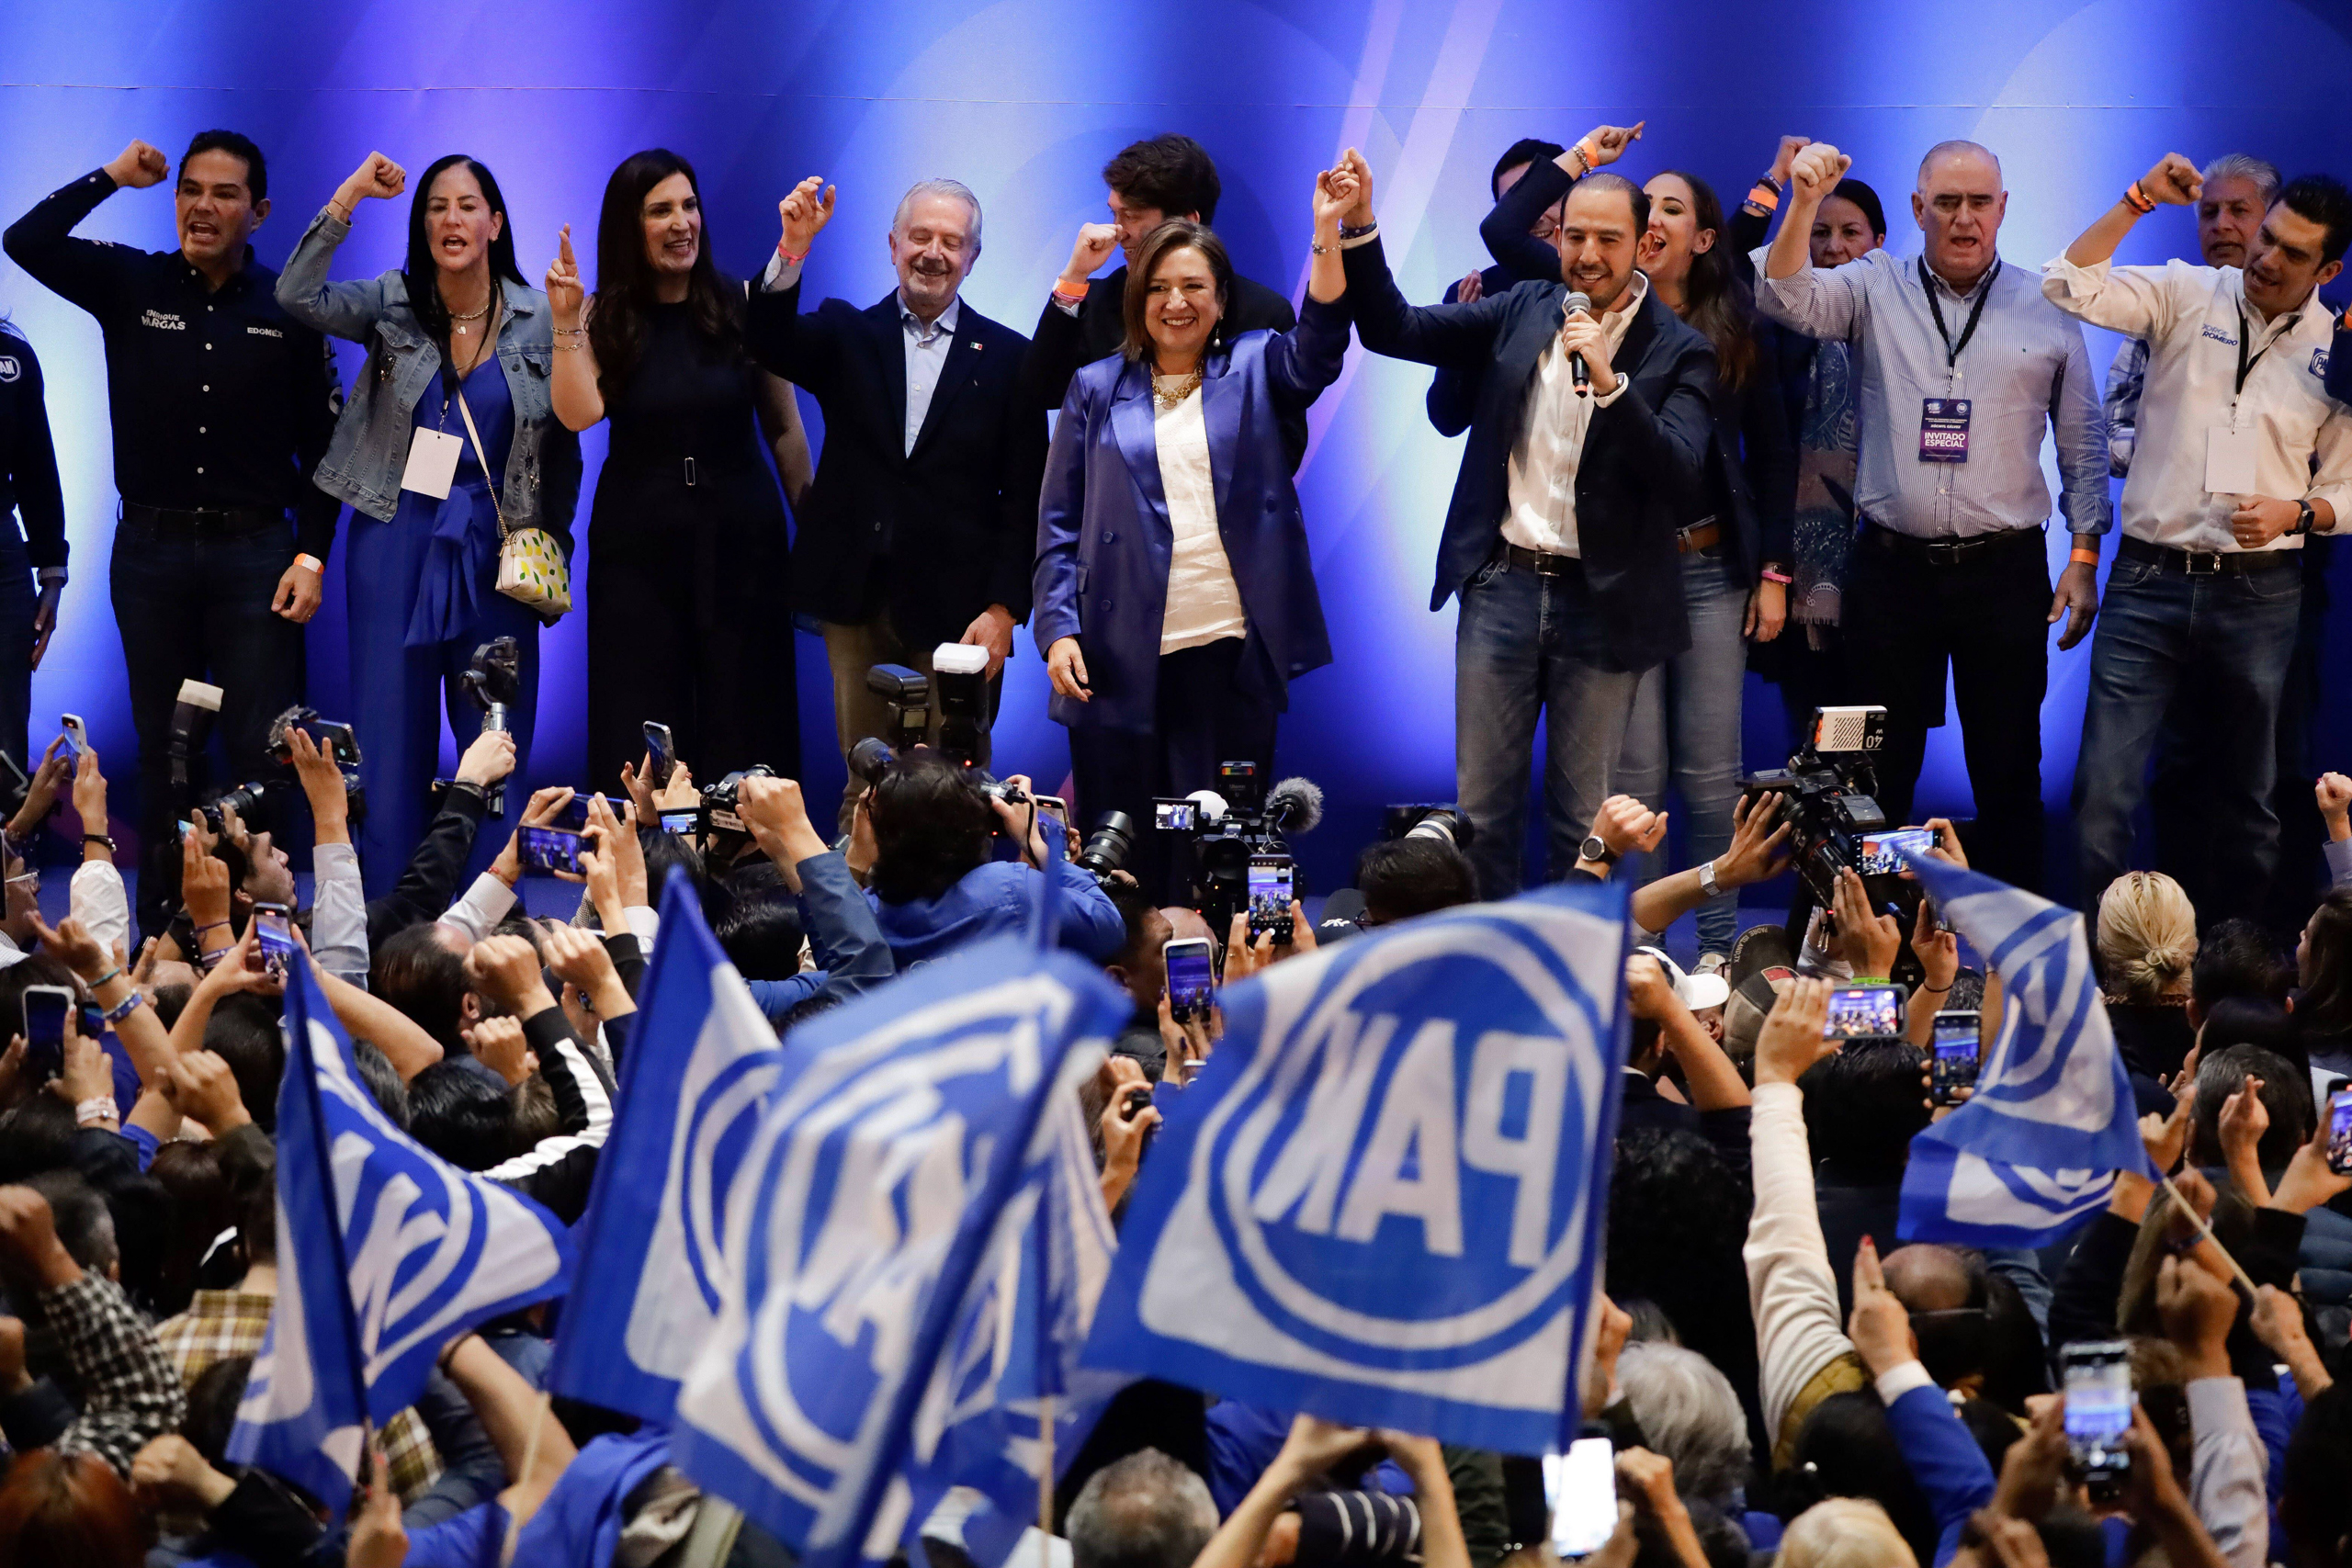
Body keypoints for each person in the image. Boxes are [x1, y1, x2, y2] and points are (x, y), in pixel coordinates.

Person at [1339, 135, 1717, 898]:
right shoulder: (1524, 305)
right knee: (1480, 816)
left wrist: (1613, 387)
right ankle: (1487, 982)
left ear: (1643, 242)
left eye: (1607, 239)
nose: (1585, 254)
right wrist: (1360, 228)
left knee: (1586, 824)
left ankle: (1570, 987)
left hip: (1602, 605)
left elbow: (1679, 477)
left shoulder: (1682, 351)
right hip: (1502, 590)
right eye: (1573, 235)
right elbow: (1394, 329)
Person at [3, 134, 342, 942]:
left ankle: (265, 922)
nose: (202, 206)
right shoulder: (132, 281)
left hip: (258, 556)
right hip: (150, 554)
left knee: (267, 750)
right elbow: (26, 241)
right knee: (163, 751)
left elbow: (324, 454)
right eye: (190, 190)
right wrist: (114, 176)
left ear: (258, 213)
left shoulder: (289, 306)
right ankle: (163, 920)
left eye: (225, 194)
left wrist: (311, 554)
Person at [1755, 139, 2108, 895]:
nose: (1964, 218)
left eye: (1980, 202)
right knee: (1872, 773)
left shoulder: (2046, 305)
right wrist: (1804, 202)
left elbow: (2082, 442)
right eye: (1946, 203)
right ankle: (1868, 944)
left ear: (2004, 209)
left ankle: (2017, 954)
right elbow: (1781, 295)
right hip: (1890, 572)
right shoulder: (1872, 284)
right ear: (1918, 210)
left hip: (2005, 571)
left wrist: (2083, 557)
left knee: (2011, 769)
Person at [2043, 158, 2351, 925]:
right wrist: (2136, 199)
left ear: (2330, 268)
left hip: (2261, 592)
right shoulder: (2185, 289)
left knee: (2253, 802)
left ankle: (2229, 977)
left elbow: (2346, 486)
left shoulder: (2337, 345)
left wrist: (2298, 512)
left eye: (2292, 253)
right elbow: (2067, 283)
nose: (2265, 259)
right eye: (2266, 238)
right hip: (2149, 581)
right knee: (2101, 797)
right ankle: (2102, 974)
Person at [1034, 169, 1354, 894]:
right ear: (1135, 298)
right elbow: (1056, 524)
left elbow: (1320, 348)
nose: (1175, 303)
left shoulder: (1255, 364)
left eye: (1194, 288)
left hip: (1226, 651)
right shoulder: (1093, 386)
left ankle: (1223, 979)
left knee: (1224, 848)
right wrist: (1057, 630)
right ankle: (1133, 985)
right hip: (1115, 659)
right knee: (1129, 851)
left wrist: (1327, 232)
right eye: (1157, 288)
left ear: (1220, 301)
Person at [276, 151, 582, 898]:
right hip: (393, 534)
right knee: (387, 740)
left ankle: (479, 915)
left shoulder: (541, 313)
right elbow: (296, 293)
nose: (452, 218)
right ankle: (391, 920)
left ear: (496, 223)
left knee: (495, 737)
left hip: (494, 543)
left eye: (468, 204)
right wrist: (348, 194)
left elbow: (576, 424)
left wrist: (572, 323)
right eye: (437, 206)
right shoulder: (393, 301)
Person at [748, 175, 1046, 823]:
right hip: (856, 598)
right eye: (920, 236)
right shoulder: (844, 332)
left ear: (972, 258)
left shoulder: (1010, 360)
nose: (933, 252)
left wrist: (1004, 610)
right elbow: (764, 339)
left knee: (952, 786)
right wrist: (793, 246)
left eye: (951, 241)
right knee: (867, 780)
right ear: (892, 245)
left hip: (961, 614)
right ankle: (855, 913)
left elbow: (1024, 500)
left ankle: (950, 921)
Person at [545, 149, 812, 789]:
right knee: (638, 714)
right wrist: (563, 320)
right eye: (660, 210)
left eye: (689, 205)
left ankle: (748, 868)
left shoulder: (743, 304)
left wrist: (817, 529)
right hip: (639, 543)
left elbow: (783, 426)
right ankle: (643, 871)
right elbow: (580, 414)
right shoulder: (601, 314)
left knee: (748, 713)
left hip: (741, 538)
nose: (681, 222)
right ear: (629, 227)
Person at [1617, 169, 1795, 963]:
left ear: (1705, 238)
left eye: (1672, 209)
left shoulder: (1735, 327)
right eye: (1643, 207)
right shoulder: (1598, 319)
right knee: (1638, 775)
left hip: (1710, 568)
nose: (1652, 218)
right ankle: (1650, 951)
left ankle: (1719, 951)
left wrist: (1774, 572)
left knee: (1710, 773)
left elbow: (1776, 458)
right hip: (1621, 575)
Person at [1725, 136, 1889, 741]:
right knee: (1815, 732)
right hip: (1795, 566)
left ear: (1880, 243)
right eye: (1819, 232)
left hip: (1885, 561)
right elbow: (1723, 257)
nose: (1835, 247)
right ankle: (1820, 832)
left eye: (1851, 232)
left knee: (1875, 732)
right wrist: (1776, 184)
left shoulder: (1903, 318)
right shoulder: (1771, 319)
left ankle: (1869, 830)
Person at [1021, 135, 1305, 469]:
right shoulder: (1097, 302)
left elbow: (1287, 446)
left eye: (1132, 215)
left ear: (1188, 221)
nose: (1117, 231)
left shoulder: (1264, 314)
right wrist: (1074, 276)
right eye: (1114, 213)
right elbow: (1042, 392)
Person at [2105, 155, 2280, 477]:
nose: (2221, 225)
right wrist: (2184, 451)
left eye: (2239, 211)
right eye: (2209, 213)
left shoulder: (2323, 323)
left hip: (2275, 517)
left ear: (2274, 223)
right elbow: (2112, 432)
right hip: (2169, 516)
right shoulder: (2165, 306)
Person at [1427, 138, 1568, 437]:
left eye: (1544, 198)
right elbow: (1447, 420)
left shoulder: (1610, 279)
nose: (1534, 215)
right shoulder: (1479, 293)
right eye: (1517, 205)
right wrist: (1463, 337)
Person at [0, 316, 62, 784]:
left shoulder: (13, 359)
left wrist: (52, 575)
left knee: (5, 712)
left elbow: (36, 468)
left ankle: (10, 846)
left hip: (3, 557)